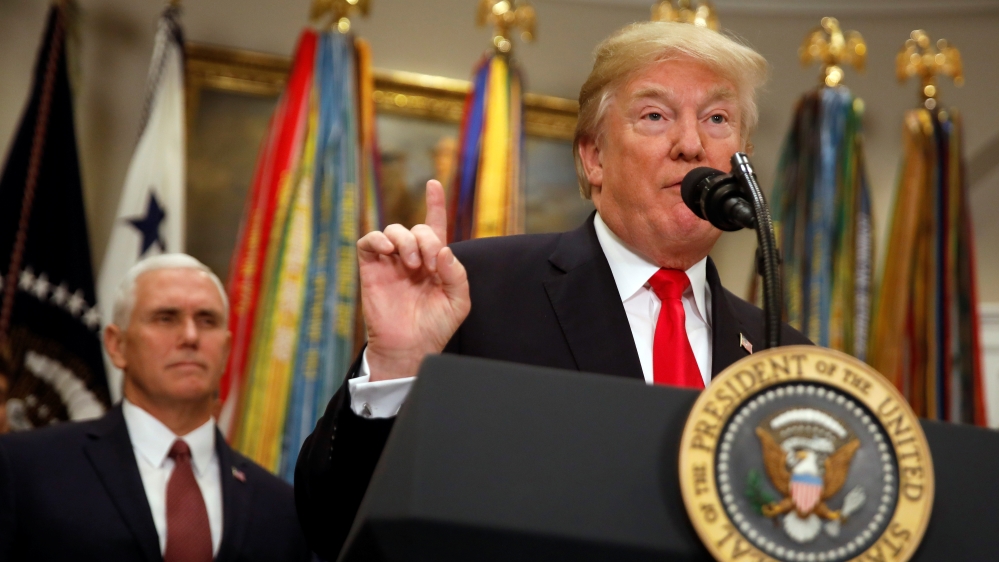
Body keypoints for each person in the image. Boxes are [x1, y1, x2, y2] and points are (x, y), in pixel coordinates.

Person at [295, 21, 811, 559]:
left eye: (718, 119)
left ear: (743, 163)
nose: (691, 144)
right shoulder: (475, 293)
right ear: (594, 158)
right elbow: (332, 522)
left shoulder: (787, 355)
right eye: (655, 116)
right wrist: (396, 369)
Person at [0, 254, 312, 561]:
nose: (190, 336)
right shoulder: (25, 468)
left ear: (227, 350)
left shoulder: (281, 506)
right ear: (116, 345)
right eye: (166, 318)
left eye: (207, 320)